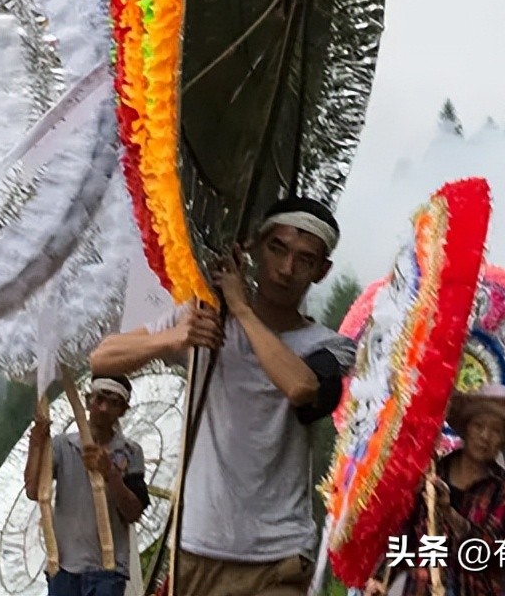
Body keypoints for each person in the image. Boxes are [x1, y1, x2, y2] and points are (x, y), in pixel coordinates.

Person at [90, 196, 355, 596]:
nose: (286, 269)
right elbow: (102, 358)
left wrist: (242, 310)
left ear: (321, 271)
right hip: (198, 545)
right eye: (277, 249)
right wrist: (175, 337)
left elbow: (302, 388)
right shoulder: (201, 317)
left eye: (304, 259)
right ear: (254, 248)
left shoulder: (332, 346)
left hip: (279, 554)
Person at [365, 384, 505, 596]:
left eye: (496, 431)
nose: (485, 436)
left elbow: (489, 548)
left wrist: (449, 513)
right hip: (423, 587)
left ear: (504, 440)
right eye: (478, 425)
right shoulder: (432, 473)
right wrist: (381, 577)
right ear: (466, 428)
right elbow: (405, 531)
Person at [23, 374, 151, 596]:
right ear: (88, 400)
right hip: (64, 566)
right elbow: (34, 490)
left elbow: (133, 512)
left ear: (123, 410)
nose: (103, 408)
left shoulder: (130, 452)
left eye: (114, 403)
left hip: (108, 569)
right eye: (99, 399)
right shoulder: (63, 446)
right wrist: (36, 445)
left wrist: (111, 474)